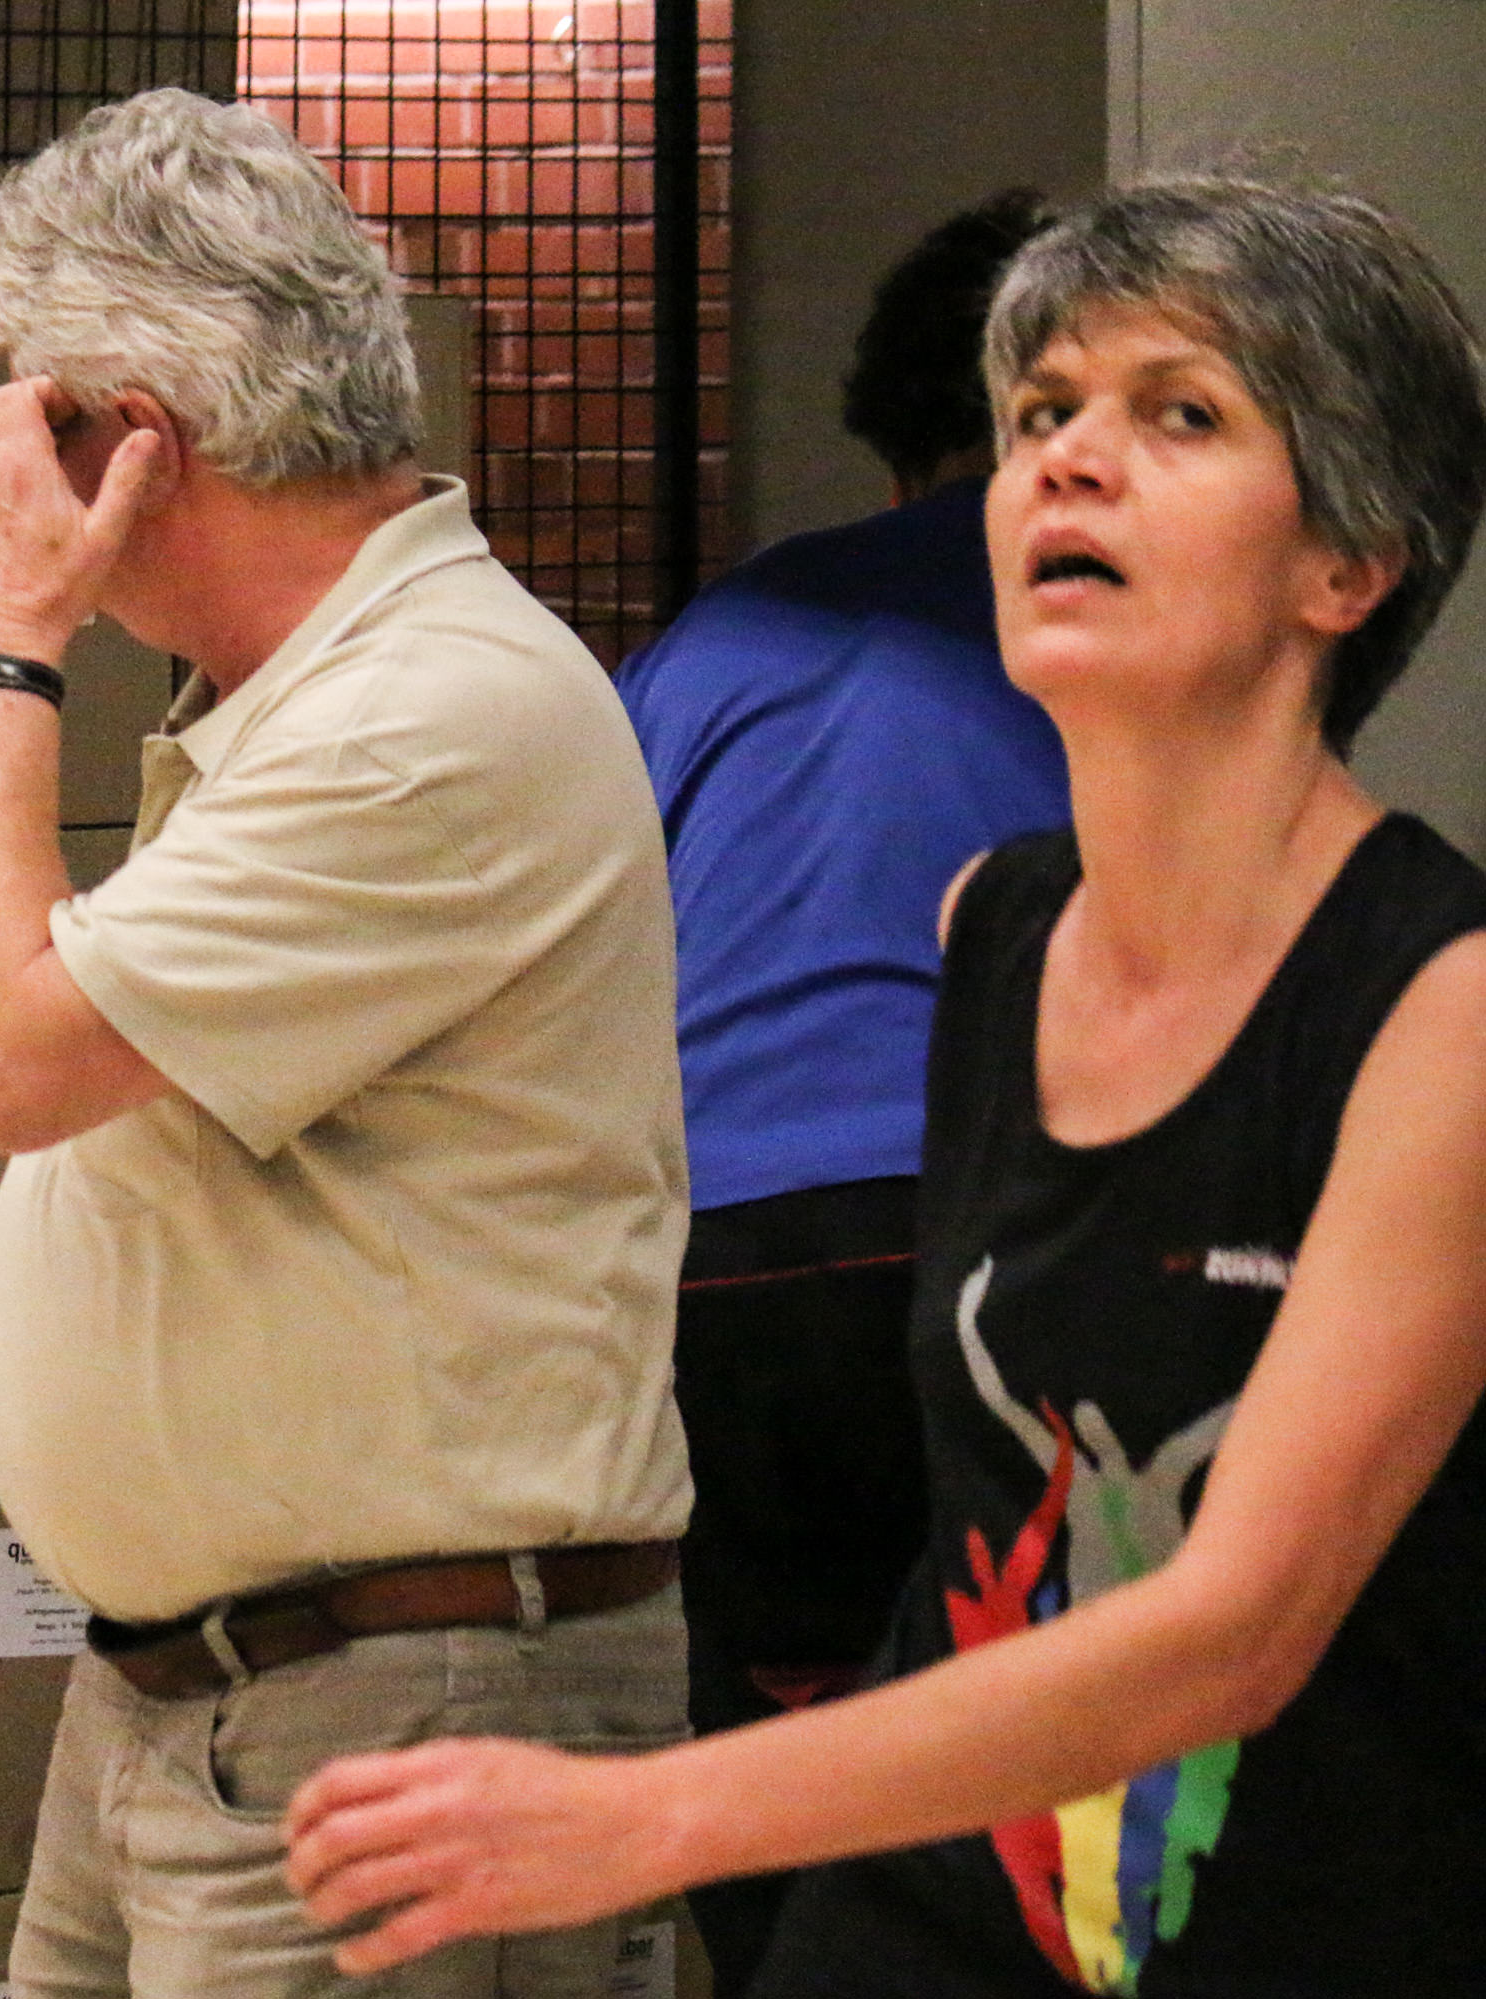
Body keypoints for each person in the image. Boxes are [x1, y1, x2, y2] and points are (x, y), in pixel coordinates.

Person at [288, 174, 1486, 1998]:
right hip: (953, 1921)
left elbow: (1231, 1631)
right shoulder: (990, 929)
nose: (1070, 461)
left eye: (1180, 415)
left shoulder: (1442, 1010)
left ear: (1350, 563)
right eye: (1040, 412)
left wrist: (653, 1813)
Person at [0, 89, 691, 1998]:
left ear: (136, 443)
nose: (3, 476)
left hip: (397, 1698)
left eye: (28, 419)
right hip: (202, 1688)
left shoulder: (426, 714)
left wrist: (9, 639)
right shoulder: (300, 693)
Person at [613, 191, 1070, 1993]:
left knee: (774, 1767)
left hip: (710, 1250)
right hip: (967, 1226)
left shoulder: (717, 637)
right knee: (1015, 1755)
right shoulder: (1093, 613)